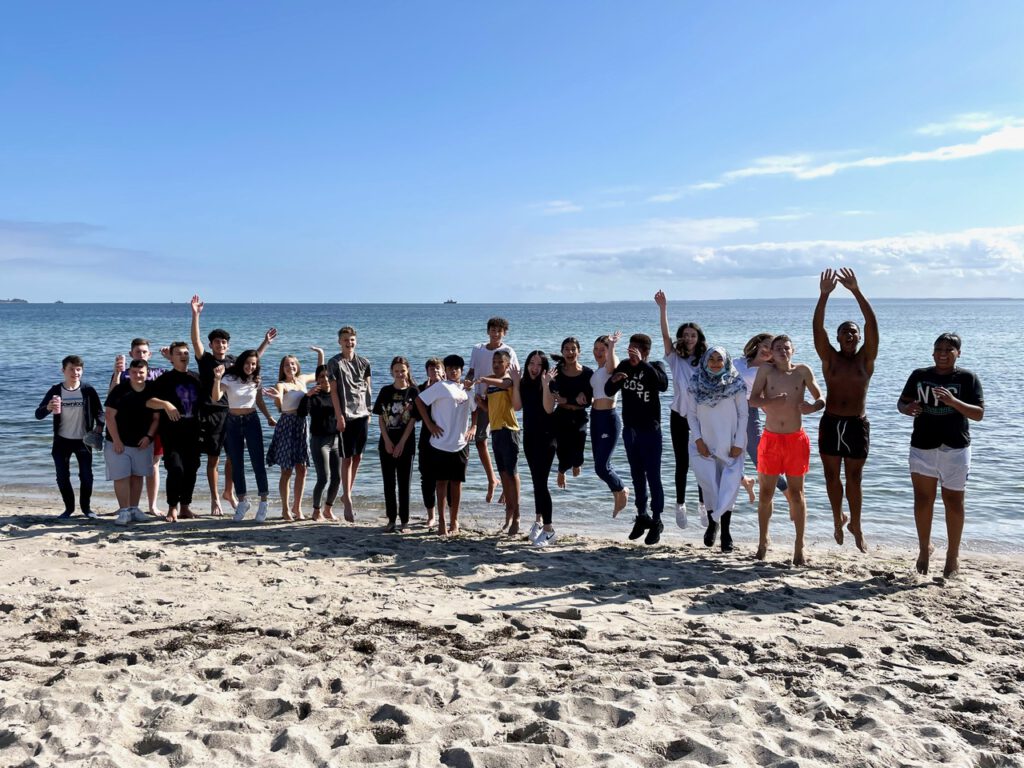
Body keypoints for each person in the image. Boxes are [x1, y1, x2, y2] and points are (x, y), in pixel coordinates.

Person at [898, 333, 983, 579]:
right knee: (923, 500)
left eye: (949, 349)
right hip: (922, 446)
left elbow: (978, 414)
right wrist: (907, 409)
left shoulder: (967, 378)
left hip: (955, 448)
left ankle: (952, 556)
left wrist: (953, 401)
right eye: (939, 349)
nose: (943, 354)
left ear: (959, 353)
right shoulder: (919, 375)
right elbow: (901, 403)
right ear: (932, 352)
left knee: (953, 502)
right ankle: (924, 550)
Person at [190, 294, 276, 516]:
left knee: (235, 457)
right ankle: (216, 499)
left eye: (224, 342)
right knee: (215, 458)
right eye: (217, 342)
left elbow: (252, 361)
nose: (221, 345)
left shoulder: (233, 362)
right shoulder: (206, 360)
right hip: (211, 413)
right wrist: (196, 315)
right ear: (212, 345)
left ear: (228, 345)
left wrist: (265, 343)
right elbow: (196, 342)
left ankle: (232, 493)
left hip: (233, 414)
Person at [813, 267, 878, 552]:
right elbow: (818, 330)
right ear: (838, 338)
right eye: (844, 332)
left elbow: (872, 324)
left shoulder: (866, 359)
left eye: (853, 331)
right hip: (831, 422)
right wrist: (823, 296)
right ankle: (838, 519)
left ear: (859, 337)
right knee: (831, 476)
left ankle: (857, 525)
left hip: (856, 424)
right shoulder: (830, 359)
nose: (849, 334)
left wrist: (856, 291)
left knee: (854, 478)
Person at [748, 335, 825, 565]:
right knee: (765, 493)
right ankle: (763, 542)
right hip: (771, 439)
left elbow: (821, 397)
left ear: (793, 350)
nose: (783, 351)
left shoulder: (802, 371)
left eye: (786, 348)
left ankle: (799, 546)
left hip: (795, 440)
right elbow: (753, 400)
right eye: (778, 348)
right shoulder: (766, 371)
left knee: (797, 494)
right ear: (771, 352)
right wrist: (770, 402)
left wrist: (813, 407)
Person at [605, 333, 669, 545]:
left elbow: (662, 385)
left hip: (651, 430)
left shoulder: (655, 366)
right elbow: (608, 390)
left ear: (645, 351)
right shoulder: (624, 365)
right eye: (629, 348)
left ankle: (657, 520)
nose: (631, 352)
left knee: (653, 476)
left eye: (636, 349)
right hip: (630, 430)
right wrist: (614, 380)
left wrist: (642, 363)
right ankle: (642, 516)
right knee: (637, 476)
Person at [687, 347, 748, 553]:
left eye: (719, 359)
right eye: (711, 359)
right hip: (703, 442)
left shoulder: (736, 383)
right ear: (705, 361)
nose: (715, 363)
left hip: (730, 442)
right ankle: (713, 523)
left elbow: (743, 415)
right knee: (709, 485)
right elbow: (691, 415)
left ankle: (726, 532)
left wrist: (739, 442)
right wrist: (698, 440)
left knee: (728, 486)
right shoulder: (695, 383)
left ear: (726, 362)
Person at [655, 290, 707, 528]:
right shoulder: (675, 358)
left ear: (699, 337)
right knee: (681, 463)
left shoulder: (706, 359)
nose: (689, 338)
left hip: (701, 417)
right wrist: (663, 308)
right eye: (685, 335)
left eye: (693, 335)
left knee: (702, 460)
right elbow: (665, 335)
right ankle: (680, 505)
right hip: (678, 415)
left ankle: (703, 504)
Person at [416, 354, 477, 538]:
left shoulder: (466, 389)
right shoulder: (440, 386)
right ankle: (441, 522)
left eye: (456, 368)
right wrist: (429, 425)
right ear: (446, 370)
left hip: (460, 443)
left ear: (461, 370)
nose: (453, 371)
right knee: (441, 483)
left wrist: (473, 427)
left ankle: (454, 521)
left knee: (456, 483)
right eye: (449, 368)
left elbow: (475, 409)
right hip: (440, 443)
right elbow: (419, 401)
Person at [35, 355, 103, 519]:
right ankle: (69, 509)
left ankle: (86, 509)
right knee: (62, 476)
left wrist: (99, 428)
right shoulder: (56, 390)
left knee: (86, 476)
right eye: (71, 369)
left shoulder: (88, 390)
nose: (75, 373)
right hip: (61, 440)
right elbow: (38, 414)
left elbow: (100, 412)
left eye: (78, 369)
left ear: (82, 371)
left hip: (83, 440)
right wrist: (48, 408)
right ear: (63, 370)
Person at [109, 337, 169, 516]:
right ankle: (126, 506)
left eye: (144, 352)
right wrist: (117, 373)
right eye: (137, 352)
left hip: (154, 425)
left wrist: (170, 359)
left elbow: (176, 378)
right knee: (127, 469)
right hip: (129, 428)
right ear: (131, 354)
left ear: (149, 354)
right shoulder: (125, 373)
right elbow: (111, 396)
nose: (141, 354)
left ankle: (152, 505)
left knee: (153, 465)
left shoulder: (159, 372)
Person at [146, 341, 204, 522]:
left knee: (192, 469)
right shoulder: (165, 379)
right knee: (175, 468)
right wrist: (166, 404)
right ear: (171, 357)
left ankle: (185, 507)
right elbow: (148, 401)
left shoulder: (196, 378)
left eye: (186, 353)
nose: (183, 356)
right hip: (171, 433)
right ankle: (172, 507)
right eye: (178, 353)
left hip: (194, 431)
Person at [212, 350, 272, 523]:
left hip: (252, 420)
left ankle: (263, 502)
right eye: (247, 363)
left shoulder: (256, 379)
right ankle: (242, 501)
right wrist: (217, 379)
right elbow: (216, 398)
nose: (250, 367)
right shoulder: (229, 378)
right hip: (232, 421)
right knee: (236, 462)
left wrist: (269, 417)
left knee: (257, 462)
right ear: (241, 362)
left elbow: (259, 401)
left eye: (253, 364)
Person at [265, 350, 324, 521]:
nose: (290, 367)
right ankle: (285, 509)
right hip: (287, 424)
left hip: (302, 425)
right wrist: (277, 398)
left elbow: (320, 373)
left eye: (292, 364)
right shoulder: (281, 385)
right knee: (286, 470)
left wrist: (320, 353)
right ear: (282, 368)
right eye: (286, 364)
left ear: (297, 366)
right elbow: (279, 404)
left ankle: (297, 508)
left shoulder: (302, 379)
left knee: (302, 469)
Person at [466, 317, 519, 503]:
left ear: (504, 333)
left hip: (501, 399)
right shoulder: (478, 348)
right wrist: (468, 382)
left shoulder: (508, 351)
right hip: (482, 398)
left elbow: (513, 376)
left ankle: (506, 486)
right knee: (480, 440)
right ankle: (492, 479)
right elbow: (471, 371)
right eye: (493, 330)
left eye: (499, 331)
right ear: (488, 331)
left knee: (503, 443)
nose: (495, 334)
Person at [105, 359, 161, 525]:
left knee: (138, 475)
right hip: (118, 442)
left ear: (147, 373)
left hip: (142, 442)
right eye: (134, 372)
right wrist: (116, 440)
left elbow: (156, 418)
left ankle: (134, 509)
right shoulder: (120, 390)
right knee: (121, 476)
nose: (138, 375)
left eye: (141, 372)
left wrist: (149, 437)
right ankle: (124, 511)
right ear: (129, 373)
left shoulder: (152, 389)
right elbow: (109, 416)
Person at [734, 333, 787, 508]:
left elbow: (766, 399)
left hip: (749, 411)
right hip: (727, 411)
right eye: (765, 345)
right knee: (724, 453)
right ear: (758, 344)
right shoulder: (738, 362)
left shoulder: (768, 371)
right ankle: (745, 480)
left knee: (760, 457)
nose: (767, 351)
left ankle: (788, 493)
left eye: (772, 349)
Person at [327, 326, 372, 523]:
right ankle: (348, 500)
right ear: (340, 342)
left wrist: (369, 410)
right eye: (345, 339)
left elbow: (367, 387)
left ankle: (347, 493)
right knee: (346, 458)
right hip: (346, 415)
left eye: (352, 339)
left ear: (356, 341)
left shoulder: (364, 362)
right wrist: (339, 416)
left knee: (358, 456)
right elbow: (333, 391)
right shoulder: (334, 362)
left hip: (362, 414)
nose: (349, 342)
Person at [475, 350, 522, 535]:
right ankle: (508, 514)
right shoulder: (491, 382)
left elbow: (505, 384)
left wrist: (483, 379)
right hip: (495, 431)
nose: (496, 365)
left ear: (507, 364)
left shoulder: (508, 380)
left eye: (500, 362)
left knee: (512, 474)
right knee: (503, 475)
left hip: (509, 430)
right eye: (494, 362)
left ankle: (517, 516)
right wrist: (480, 403)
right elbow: (490, 408)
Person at [372, 356, 420, 532]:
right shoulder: (385, 391)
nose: (400, 374)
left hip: (406, 444)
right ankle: (391, 519)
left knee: (404, 483)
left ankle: (404, 521)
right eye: (396, 371)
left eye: (403, 371)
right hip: (386, 443)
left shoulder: (413, 392)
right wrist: (386, 440)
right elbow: (380, 418)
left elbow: (412, 420)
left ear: (408, 371)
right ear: (392, 372)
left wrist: (401, 443)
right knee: (389, 483)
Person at [590, 332, 629, 516]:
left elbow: (613, 366)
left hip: (608, 418)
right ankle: (617, 495)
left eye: (602, 349)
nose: (598, 352)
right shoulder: (597, 371)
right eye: (596, 349)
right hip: (595, 418)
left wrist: (612, 346)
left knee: (601, 466)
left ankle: (622, 489)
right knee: (600, 465)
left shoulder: (610, 365)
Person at [522, 351, 558, 546]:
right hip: (529, 438)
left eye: (538, 364)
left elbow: (548, 409)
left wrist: (545, 385)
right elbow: (517, 406)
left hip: (546, 439)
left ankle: (549, 530)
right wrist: (514, 381)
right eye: (531, 363)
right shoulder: (524, 383)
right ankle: (538, 521)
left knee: (541, 483)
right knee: (536, 482)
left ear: (544, 368)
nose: (534, 368)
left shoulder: (549, 383)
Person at [548, 337, 593, 488]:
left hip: (580, 416)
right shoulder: (557, 373)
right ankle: (561, 471)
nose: (570, 352)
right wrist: (574, 399)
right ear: (562, 352)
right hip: (561, 415)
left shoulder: (587, 373)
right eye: (566, 349)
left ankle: (577, 463)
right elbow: (556, 397)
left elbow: (587, 401)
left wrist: (568, 399)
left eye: (573, 349)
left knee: (580, 441)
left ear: (579, 352)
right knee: (562, 450)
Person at [303, 365, 341, 522]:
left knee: (337, 478)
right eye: (321, 376)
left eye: (328, 376)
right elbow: (302, 412)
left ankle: (328, 509)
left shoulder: (337, 394)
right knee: (323, 477)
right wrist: (307, 395)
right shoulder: (314, 396)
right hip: (319, 441)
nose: (325, 379)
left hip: (336, 440)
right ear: (317, 379)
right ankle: (316, 511)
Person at [415, 358, 446, 528]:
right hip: (426, 438)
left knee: (446, 477)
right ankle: (431, 515)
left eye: (438, 368)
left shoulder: (449, 387)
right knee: (427, 477)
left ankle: (447, 516)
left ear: (443, 371)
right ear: (427, 372)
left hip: (446, 437)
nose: (435, 371)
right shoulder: (421, 389)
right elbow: (416, 416)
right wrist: (427, 392)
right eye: (431, 369)